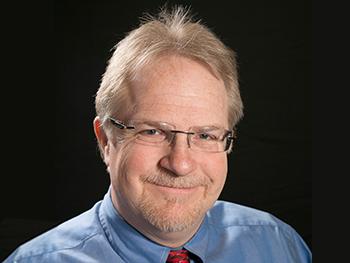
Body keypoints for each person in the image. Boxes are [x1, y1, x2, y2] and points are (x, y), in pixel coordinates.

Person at [5, 6, 311, 263]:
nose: (180, 164)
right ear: (106, 140)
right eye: (152, 131)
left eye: (205, 136)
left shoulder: (279, 245)